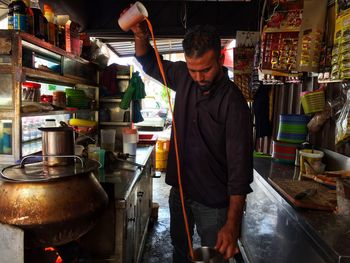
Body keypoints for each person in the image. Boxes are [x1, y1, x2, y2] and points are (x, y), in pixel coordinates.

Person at [131, 22, 253, 262]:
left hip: (214, 203)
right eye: (192, 70)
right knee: (180, 249)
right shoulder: (183, 77)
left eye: (205, 70)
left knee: (214, 257)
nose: (198, 77)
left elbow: (240, 171)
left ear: (219, 58)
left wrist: (232, 223)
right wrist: (139, 35)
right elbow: (148, 61)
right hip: (181, 191)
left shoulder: (233, 103)